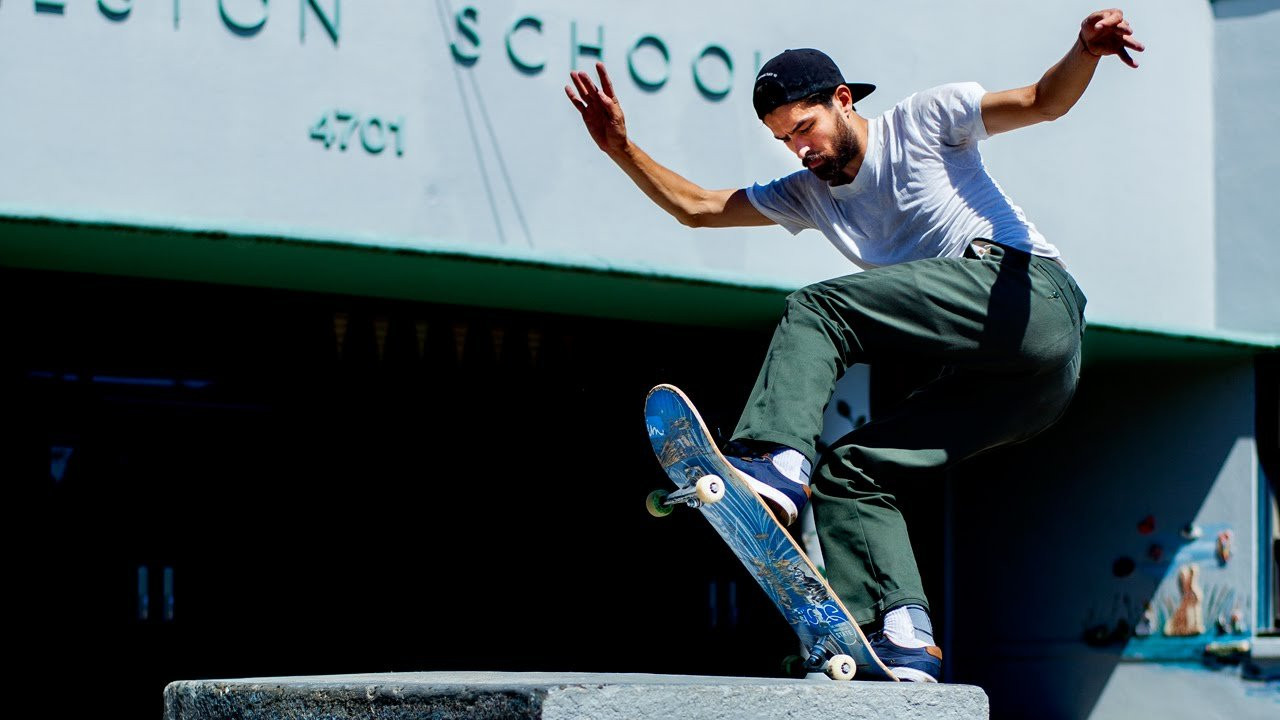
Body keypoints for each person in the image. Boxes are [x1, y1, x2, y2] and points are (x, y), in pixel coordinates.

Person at [566, 10, 1143, 682]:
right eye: (784, 140)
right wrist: (621, 149)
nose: (800, 151)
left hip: (1029, 298)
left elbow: (1043, 101)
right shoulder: (810, 194)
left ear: (843, 100)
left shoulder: (923, 121)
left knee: (818, 308)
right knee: (851, 471)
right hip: (1022, 388)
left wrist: (1084, 50)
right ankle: (901, 636)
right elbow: (697, 207)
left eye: (804, 128)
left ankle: (775, 459)